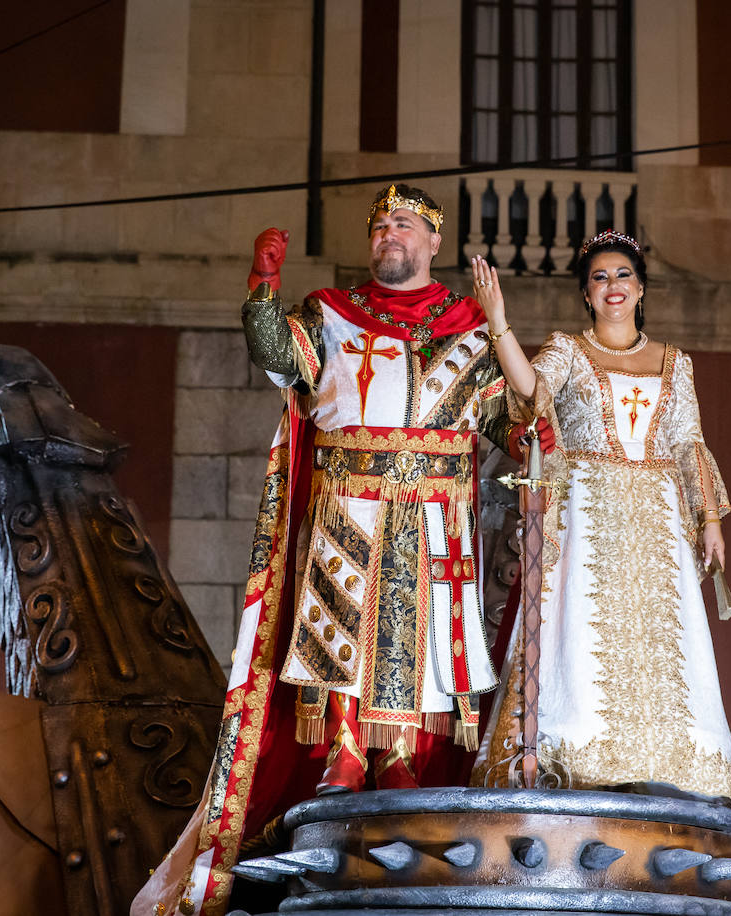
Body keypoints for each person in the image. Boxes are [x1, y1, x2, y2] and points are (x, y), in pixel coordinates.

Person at [134, 184, 552, 916]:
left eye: (403, 224)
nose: (388, 234)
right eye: (379, 226)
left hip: (433, 519)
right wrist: (263, 291)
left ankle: (402, 764)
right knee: (343, 637)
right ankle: (345, 757)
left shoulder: (470, 330)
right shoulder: (330, 314)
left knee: (422, 648)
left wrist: (531, 451)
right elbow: (277, 358)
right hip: (348, 505)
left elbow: (512, 429)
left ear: (430, 242)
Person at [467, 229, 731, 807]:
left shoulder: (676, 363)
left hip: (659, 518)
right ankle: (577, 756)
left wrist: (709, 518)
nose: (612, 286)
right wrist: (499, 322)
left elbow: (690, 441)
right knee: (582, 628)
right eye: (599, 277)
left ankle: (672, 767)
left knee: (665, 637)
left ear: (640, 289)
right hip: (586, 512)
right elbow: (531, 390)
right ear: (587, 295)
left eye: (622, 275)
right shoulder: (569, 350)